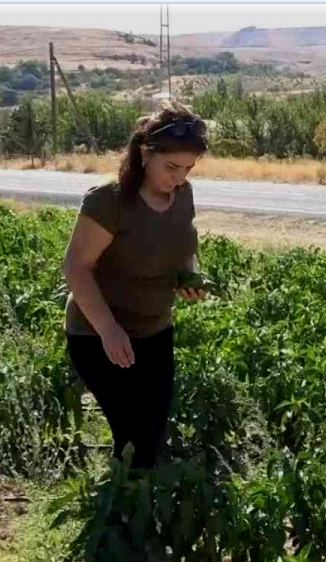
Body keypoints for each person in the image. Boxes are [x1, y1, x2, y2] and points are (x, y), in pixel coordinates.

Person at [61, 101, 208, 469]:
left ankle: (133, 504)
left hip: (155, 329)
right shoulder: (108, 201)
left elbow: (183, 248)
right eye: (171, 167)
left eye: (188, 168)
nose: (178, 177)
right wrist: (109, 330)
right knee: (132, 434)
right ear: (145, 153)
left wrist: (188, 277)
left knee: (153, 431)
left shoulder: (183, 195)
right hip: (98, 334)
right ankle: (119, 514)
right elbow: (77, 267)